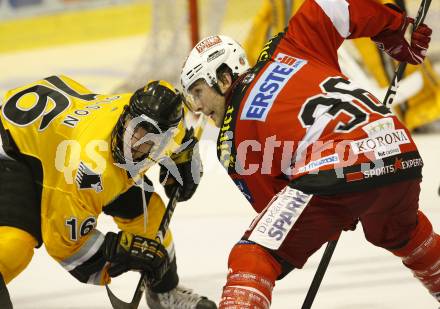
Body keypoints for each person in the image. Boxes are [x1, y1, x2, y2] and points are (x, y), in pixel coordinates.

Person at [180, 0, 437, 307]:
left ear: (223, 78)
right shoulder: (291, 47)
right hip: (398, 149)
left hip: (336, 168)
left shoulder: (231, 141)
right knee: (401, 232)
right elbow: (332, 6)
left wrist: (337, 213)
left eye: (198, 92)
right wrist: (390, 23)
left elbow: (275, 211)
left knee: (252, 254)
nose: (198, 108)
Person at [0, 76, 217, 309]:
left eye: (148, 140)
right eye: (135, 130)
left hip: (59, 129)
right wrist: (118, 251)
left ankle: (165, 293)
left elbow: (180, 137)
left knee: (149, 214)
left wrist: (184, 158)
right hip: (14, 146)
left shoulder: (167, 128)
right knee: (15, 245)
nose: (133, 144)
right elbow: (64, 245)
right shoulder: (87, 165)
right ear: (126, 116)